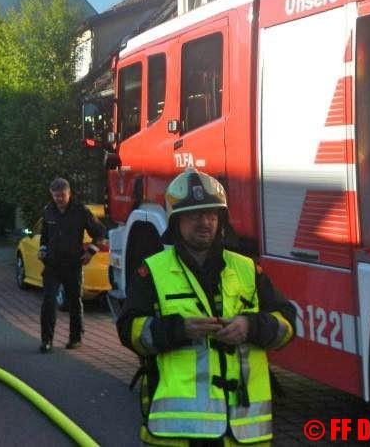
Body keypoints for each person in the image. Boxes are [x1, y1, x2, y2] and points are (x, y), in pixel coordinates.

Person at [117, 169, 296, 445]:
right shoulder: (152, 271)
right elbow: (130, 331)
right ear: (176, 222)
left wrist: (250, 326)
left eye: (212, 214)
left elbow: (286, 325)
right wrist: (179, 329)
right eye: (194, 215)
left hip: (242, 433)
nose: (205, 222)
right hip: (178, 432)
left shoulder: (247, 269)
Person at [37, 177, 106, 353]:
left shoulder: (80, 211)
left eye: (62, 195)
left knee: (74, 302)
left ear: (69, 193)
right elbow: (44, 236)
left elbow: (100, 234)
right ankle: (47, 340)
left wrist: (90, 252)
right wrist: (42, 250)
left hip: (72, 264)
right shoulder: (48, 211)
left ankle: (75, 338)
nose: (59, 199)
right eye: (55, 196)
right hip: (52, 265)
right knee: (48, 301)